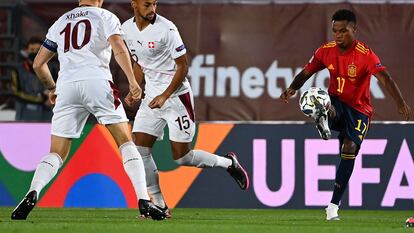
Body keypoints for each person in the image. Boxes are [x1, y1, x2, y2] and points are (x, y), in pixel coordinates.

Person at [11, 0, 166, 221]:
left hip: (66, 87)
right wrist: (132, 81)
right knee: (125, 141)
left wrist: (53, 88)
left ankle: (32, 192)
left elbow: (38, 64)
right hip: (97, 82)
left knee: (56, 152)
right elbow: (118, 47)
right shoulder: (105, 16)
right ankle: (143, 201)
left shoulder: (61, 21)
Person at [280, 9, 413, 220]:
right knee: (322, 99)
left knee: (349, 149)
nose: (338, 35)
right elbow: (307, 72)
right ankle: (325, 116)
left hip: (359, 110)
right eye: (335, 31)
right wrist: (292, 88)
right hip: (337, 102)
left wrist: (401, 103)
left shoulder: (365, 54)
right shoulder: (326, 50)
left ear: (354, 29)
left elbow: (386, 79)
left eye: (343, 30)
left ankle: (333, 206)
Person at [121, 0, 250, 217]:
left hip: (176, 98)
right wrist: (135, 86)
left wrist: (165, 95)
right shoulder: (126, 29)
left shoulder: (167, 29)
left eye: (154, 4)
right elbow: (140, 62)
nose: (152, 9)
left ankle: (228, 163)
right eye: (146, 4)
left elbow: (182, 66)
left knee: (182, 157)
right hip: (152, 97)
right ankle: (160, 204)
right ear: (133, 4)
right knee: (141, 149)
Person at [11, 37, 53, 121]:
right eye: (32, 49)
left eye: (38, 50)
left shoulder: (51, 68)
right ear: (26, 51)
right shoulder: (17, 70)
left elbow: (56, 88)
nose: (35, 52)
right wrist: (40, 98)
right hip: (25, 116)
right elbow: (16, 93)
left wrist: (51, 97)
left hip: (47, 115)